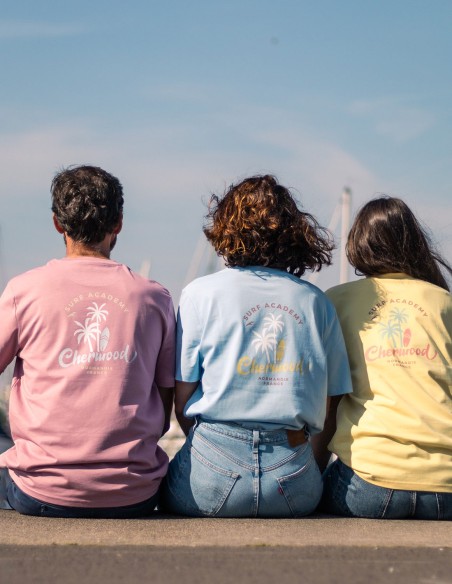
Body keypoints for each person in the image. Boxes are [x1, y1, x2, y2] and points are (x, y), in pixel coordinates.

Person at [160, 175, 352, 517]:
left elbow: (182, 399)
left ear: (226, 227)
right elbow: (330, 405)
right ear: (293, 231)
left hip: (211, 470)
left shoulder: (200, 294)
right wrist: (311, 464)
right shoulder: (316, 302)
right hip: (293, 476)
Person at [0, 165, 176, 518]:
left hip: (39, 491)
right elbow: (165, 397)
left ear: (57, 223)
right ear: (118, 223)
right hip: (134, 493)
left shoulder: (24, 291)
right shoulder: (154, 298)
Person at [319, 196, 452, 520]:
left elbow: (328, 403)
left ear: (358, 243)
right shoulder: (444, 302)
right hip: (446, 490)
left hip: (368, 486)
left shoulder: (337, 301)